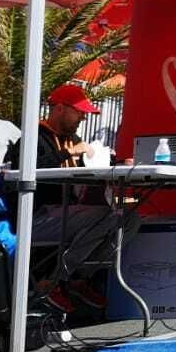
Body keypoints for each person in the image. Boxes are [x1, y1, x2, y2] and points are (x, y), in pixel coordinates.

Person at [26, 83, 138, 313]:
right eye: (79, 112)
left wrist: (114, 164)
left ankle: (78, 277)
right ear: (59, 109)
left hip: (68, 212)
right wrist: (68, 153)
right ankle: (54, 279)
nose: (83, 118)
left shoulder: (73, 138)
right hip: (36, 215)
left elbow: (83, 170)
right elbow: (25, 169)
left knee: (131, 218)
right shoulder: (33, 137)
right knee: (105, 215)